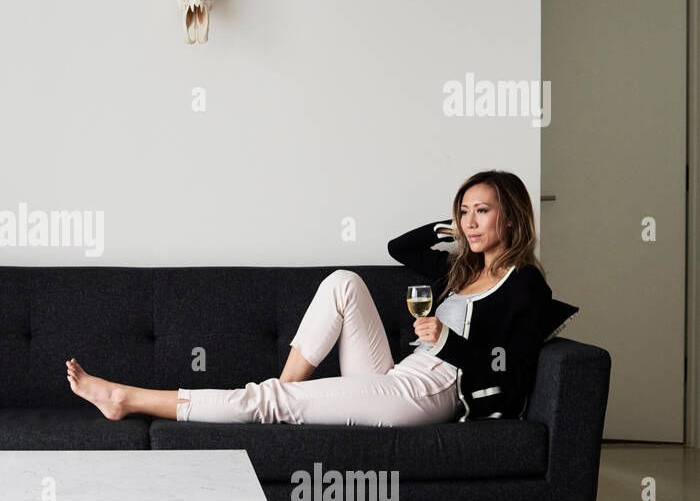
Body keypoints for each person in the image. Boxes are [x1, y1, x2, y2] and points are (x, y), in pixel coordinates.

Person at [66, 169, 554, 425]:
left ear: (510, 217)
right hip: (401, 375)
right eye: (464, 211)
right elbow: (400, 248)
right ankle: (277, 399)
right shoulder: (462, 269)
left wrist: (447, 341)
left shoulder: (524, 283)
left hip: (431, 391)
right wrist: (455, 227)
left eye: (482, 211)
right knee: (343, 281)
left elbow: (508, 366)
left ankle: (126, 398)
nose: (470, 222)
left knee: (270, 401)